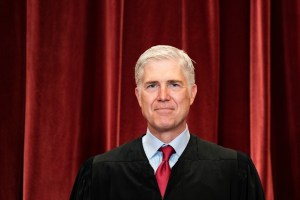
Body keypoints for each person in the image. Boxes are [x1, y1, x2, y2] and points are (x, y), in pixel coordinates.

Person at [70, 45, 265, 200]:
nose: (163, 96)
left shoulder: (235, 171)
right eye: (152, 85)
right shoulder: (99, 174)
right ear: (139, 96)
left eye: (174, 84)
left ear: (192, 93)